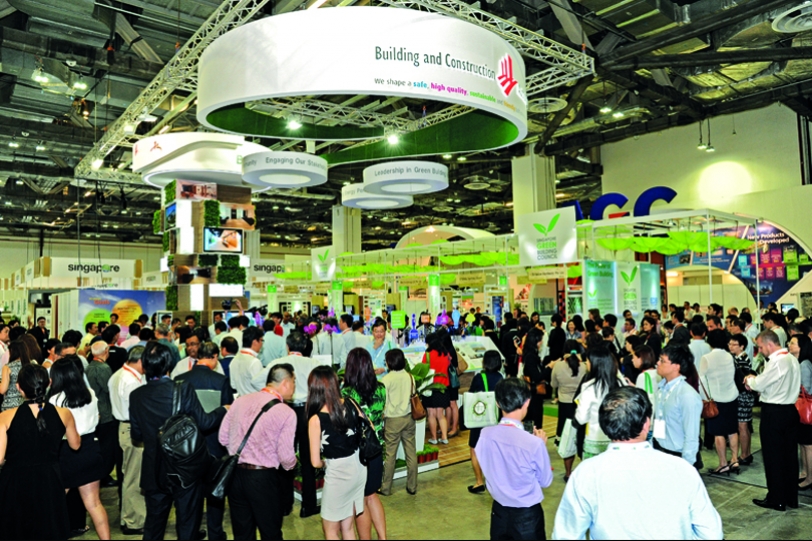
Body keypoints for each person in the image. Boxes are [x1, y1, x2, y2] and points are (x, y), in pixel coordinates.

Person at [552, 387, 724, 540]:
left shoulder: (586, 473)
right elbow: (711, 532)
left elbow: (566, 534)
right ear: (647, 423)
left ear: (604, 425)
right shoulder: (682, 469)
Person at [129, 342, 228, 540]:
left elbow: (137, 435)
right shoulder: (182, 389)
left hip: (154, 468)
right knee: (187, 524)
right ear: (169, 364)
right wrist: (223, 409)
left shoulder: (136, 395)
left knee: (153, 526)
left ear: (145, 365)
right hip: (184, 468)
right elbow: (204, 422)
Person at [0, 363, 81, 540]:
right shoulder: (63, 413)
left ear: (18, 387)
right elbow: (75, 445)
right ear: (49, 383)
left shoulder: (5, 417)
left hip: (16, 480)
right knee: (49, 528)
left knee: (18, 530)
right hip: (49, 479)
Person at [219, 363, 297, 540]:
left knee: (242, 533)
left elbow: (222, 437)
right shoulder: (285, 412)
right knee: (270, 532)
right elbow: (286, 457)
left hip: (235, 475)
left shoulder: (240, 401)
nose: (294, 387)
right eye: (294, 381)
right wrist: (293, 464)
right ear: (285, 383)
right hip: (263, 478)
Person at [253, 331, 322, 518]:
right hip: (308, 412)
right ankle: (308, 506)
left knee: (284, 457)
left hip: (284, 409)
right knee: (308, 459)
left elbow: (256, 381)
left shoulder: (277, 363)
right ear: (305, 346)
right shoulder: (314, 363)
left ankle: (285, 505)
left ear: (287, 346)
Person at [476, 378, 552, 540]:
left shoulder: (485, 434)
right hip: (527, 517)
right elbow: (545, 481)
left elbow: (487, 465)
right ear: (527, 402)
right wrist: (541, 446)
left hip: (499, 513)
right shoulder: (533, 443)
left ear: (497, 403)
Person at [174, 341, 234, 540]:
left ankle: (192, 531)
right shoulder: (220, 381)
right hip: (214, 443)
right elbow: (228, 413)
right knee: (215, 491)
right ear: (215, 357)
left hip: (187, 445)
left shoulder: (180, 379)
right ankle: (215, 533)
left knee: (191, 493)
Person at [46, 358, 110, 540]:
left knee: (55, 504)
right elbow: (97, 418)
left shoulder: (55, 399)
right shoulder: (90, 393)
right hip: (90, 448)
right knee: (94, 504)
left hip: (67, 451)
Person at [307, 366, 366, 540]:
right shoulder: (350, 402)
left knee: (331, 529)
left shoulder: (316, 419)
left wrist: (325, 463)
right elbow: (366, 424)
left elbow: (315, 462)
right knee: (348, 527)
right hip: (358, 466)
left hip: (338, 473)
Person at [744, 330, 801, 511]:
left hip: (774, 412)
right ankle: (791, 497)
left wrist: (750, 380)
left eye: (760, 347)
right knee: (790, 456)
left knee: (773, 457)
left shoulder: (777, 361)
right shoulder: (791, 359)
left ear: (770, 344)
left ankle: (777, 498)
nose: (760, 350)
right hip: (790, 410)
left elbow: (759, 384)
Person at [341, 348, 387, 540]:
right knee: (372, 495)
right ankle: (383, 538)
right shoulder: (381, 388)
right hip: (376, 448)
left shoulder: (346, 393)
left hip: (357, 453)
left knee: (359, 500)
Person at [108, 346, 147, 535]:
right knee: (134, 477)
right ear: (140, 361)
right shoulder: (131, 381)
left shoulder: (117, 375)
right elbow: (138, 411)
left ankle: (128, 517)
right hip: (132, 429)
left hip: (123, 427)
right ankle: (134, 522)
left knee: (128, 475)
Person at [698, 329, 740, 475]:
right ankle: (734, 460)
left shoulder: (706, 358)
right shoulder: (729, 356)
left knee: (718, 433)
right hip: (732, 396)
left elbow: (701, 380)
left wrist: (704, 398)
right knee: (732, 430)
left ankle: (723, 464)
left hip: (716, 399)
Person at [654, 343, 703, 467]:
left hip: (679, 456)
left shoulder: (687, 395)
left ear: (676, 366)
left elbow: (691, 435)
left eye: (662, 361)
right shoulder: (662, 388)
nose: (657, 363)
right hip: (661, 449)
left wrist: (687, 465)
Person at [574, 345, 624, 459]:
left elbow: (581, 419)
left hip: (594, 438)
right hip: (617, 438)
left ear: (595, 364)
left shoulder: (589, 387)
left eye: (587, 361)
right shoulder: (620, 384)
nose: (586, 364)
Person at [380, 349, 418, 497]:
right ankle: (412, 486)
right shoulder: (410, 376)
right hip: (409, 418)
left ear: (389, 362)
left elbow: (383, 402)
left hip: (393, 420)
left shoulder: (386, 380)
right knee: (411, 452)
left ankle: (386, 488)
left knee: (390, 455)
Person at [466, 351, 505, 494]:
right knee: (494, 450)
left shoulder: (479, 378)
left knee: (474, 449)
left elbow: (471, 396)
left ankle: (479, 482)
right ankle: (494, 481)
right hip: (495, 418)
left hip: (480, 419)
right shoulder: (501, 378)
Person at [549, 342, 585, 481]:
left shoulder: (558, 366)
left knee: (566, 438)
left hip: (564, 405)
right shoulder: (584, 366)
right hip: (580, 404)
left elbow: (553, 384)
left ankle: (568, 472)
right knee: (580, 437)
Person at [728, 334, 756, 467]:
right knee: (745, 425)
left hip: (743, 395)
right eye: (730, 344)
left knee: (742, 425)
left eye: (734, 345)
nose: (731, 347)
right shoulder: (739, 357)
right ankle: (747, 453)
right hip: (746, 395)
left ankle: (744, 455)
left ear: (742, 346)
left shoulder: (742, 359)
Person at [421, 332, 451, 445]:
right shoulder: (445, 353)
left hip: (431, 387)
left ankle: (434, 438)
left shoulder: (428, 354)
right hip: (443, 387)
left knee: (431, 414)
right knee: (440, 414)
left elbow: (423, 369)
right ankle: (444, 437)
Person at [521, 328, 547, 430]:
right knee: (534, 422)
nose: (542, 343)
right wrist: (549, 368)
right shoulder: (531, 357)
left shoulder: (529, 354)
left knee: (531, 422)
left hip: (531, 394)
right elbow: (537, 377)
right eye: (540, 340)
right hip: (533, 394)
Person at [796, 335, 812, 491]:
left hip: (806, 409)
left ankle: (809, 478)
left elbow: (806, 389)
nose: (789, 345)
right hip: (805, 409)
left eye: (793, 343)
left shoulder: (804, 364)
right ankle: (805, 472)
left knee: (808, 445)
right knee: (804, 443)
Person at [230, 327, 265, 397]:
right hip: (255, 400)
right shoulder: (254, 362)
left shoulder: (234, 360)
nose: (262, 344)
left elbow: (233, 385)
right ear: (255, 342)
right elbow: (261, 387)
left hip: (241, 399)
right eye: (261, 340)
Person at [0, 340, 31, 411]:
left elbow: (2, 390)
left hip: (10, 405)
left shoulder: (8, 367)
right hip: (28, 404)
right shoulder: (32, 365)